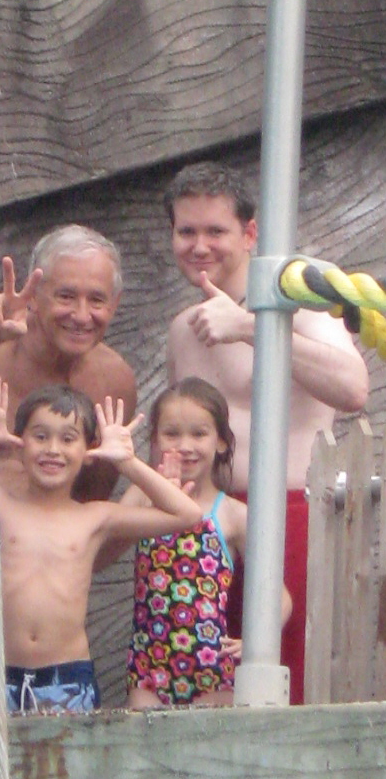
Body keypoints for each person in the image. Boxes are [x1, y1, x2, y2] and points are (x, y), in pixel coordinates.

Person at [164, 161, 369, 704]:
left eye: (216, 231)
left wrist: (253, 327)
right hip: (207, 525)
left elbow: (353, 388)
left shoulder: (299, 303)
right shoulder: (183, 330)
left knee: (290, 680)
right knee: (212, 685)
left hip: (293, 515)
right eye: (187, 231)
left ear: (250, 233)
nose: (200, 245)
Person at [0, 224, 137, 715]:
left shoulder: (114, 379)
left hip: (47, 574)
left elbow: (93, 496)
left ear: (115, 305)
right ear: (34, 295)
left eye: (97, 300)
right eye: (66, 296)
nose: (81, 314)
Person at [0, 379, 202, 715]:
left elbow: (187, 514)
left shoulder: (95, 517)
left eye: (68, 439)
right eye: (40, 436)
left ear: (88, 453)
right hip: (4, 679)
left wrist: (127, 462)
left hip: (67, 680)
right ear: (19, 444)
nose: (53, 449)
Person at [123, 377, 292, 708]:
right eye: (172, 434)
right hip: (148, 667)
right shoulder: (142, 497)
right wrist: (158, 495)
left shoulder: (232, 514)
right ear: (154, 441)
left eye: (199, 434)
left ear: (221, 442)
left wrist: (257, 642)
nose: (185, 445)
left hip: (210, 668)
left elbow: (278, 595)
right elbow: (107, 539)